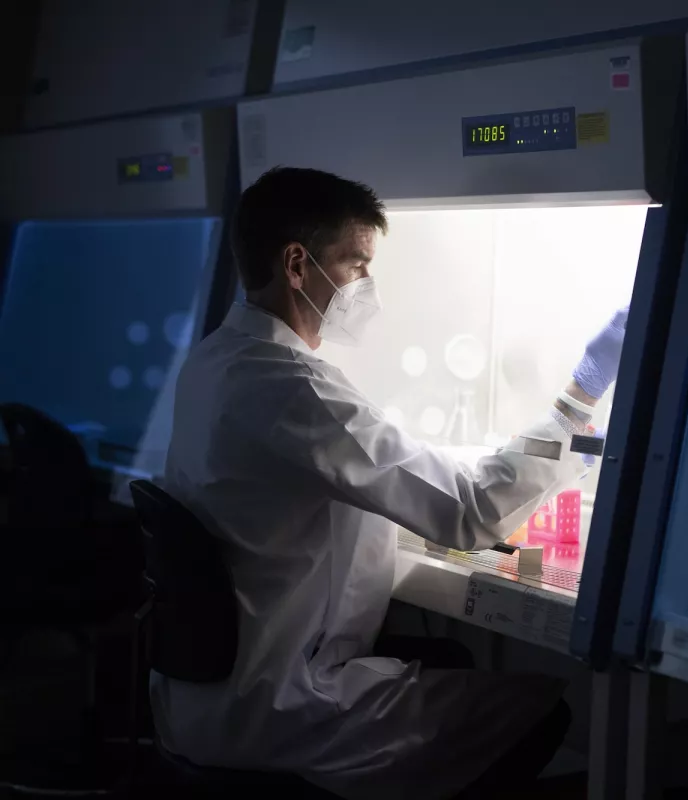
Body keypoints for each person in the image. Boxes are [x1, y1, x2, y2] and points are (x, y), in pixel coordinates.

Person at [156, 167, 629, 799]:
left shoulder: (222, 359)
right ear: (297, 264)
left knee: (455, 668)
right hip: (278, 702)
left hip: (206, 695)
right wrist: (582, 395)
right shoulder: (292, 387)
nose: (366, 286)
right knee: (540, 710)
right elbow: (468, 511)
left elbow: (370, 464)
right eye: (357, 264)